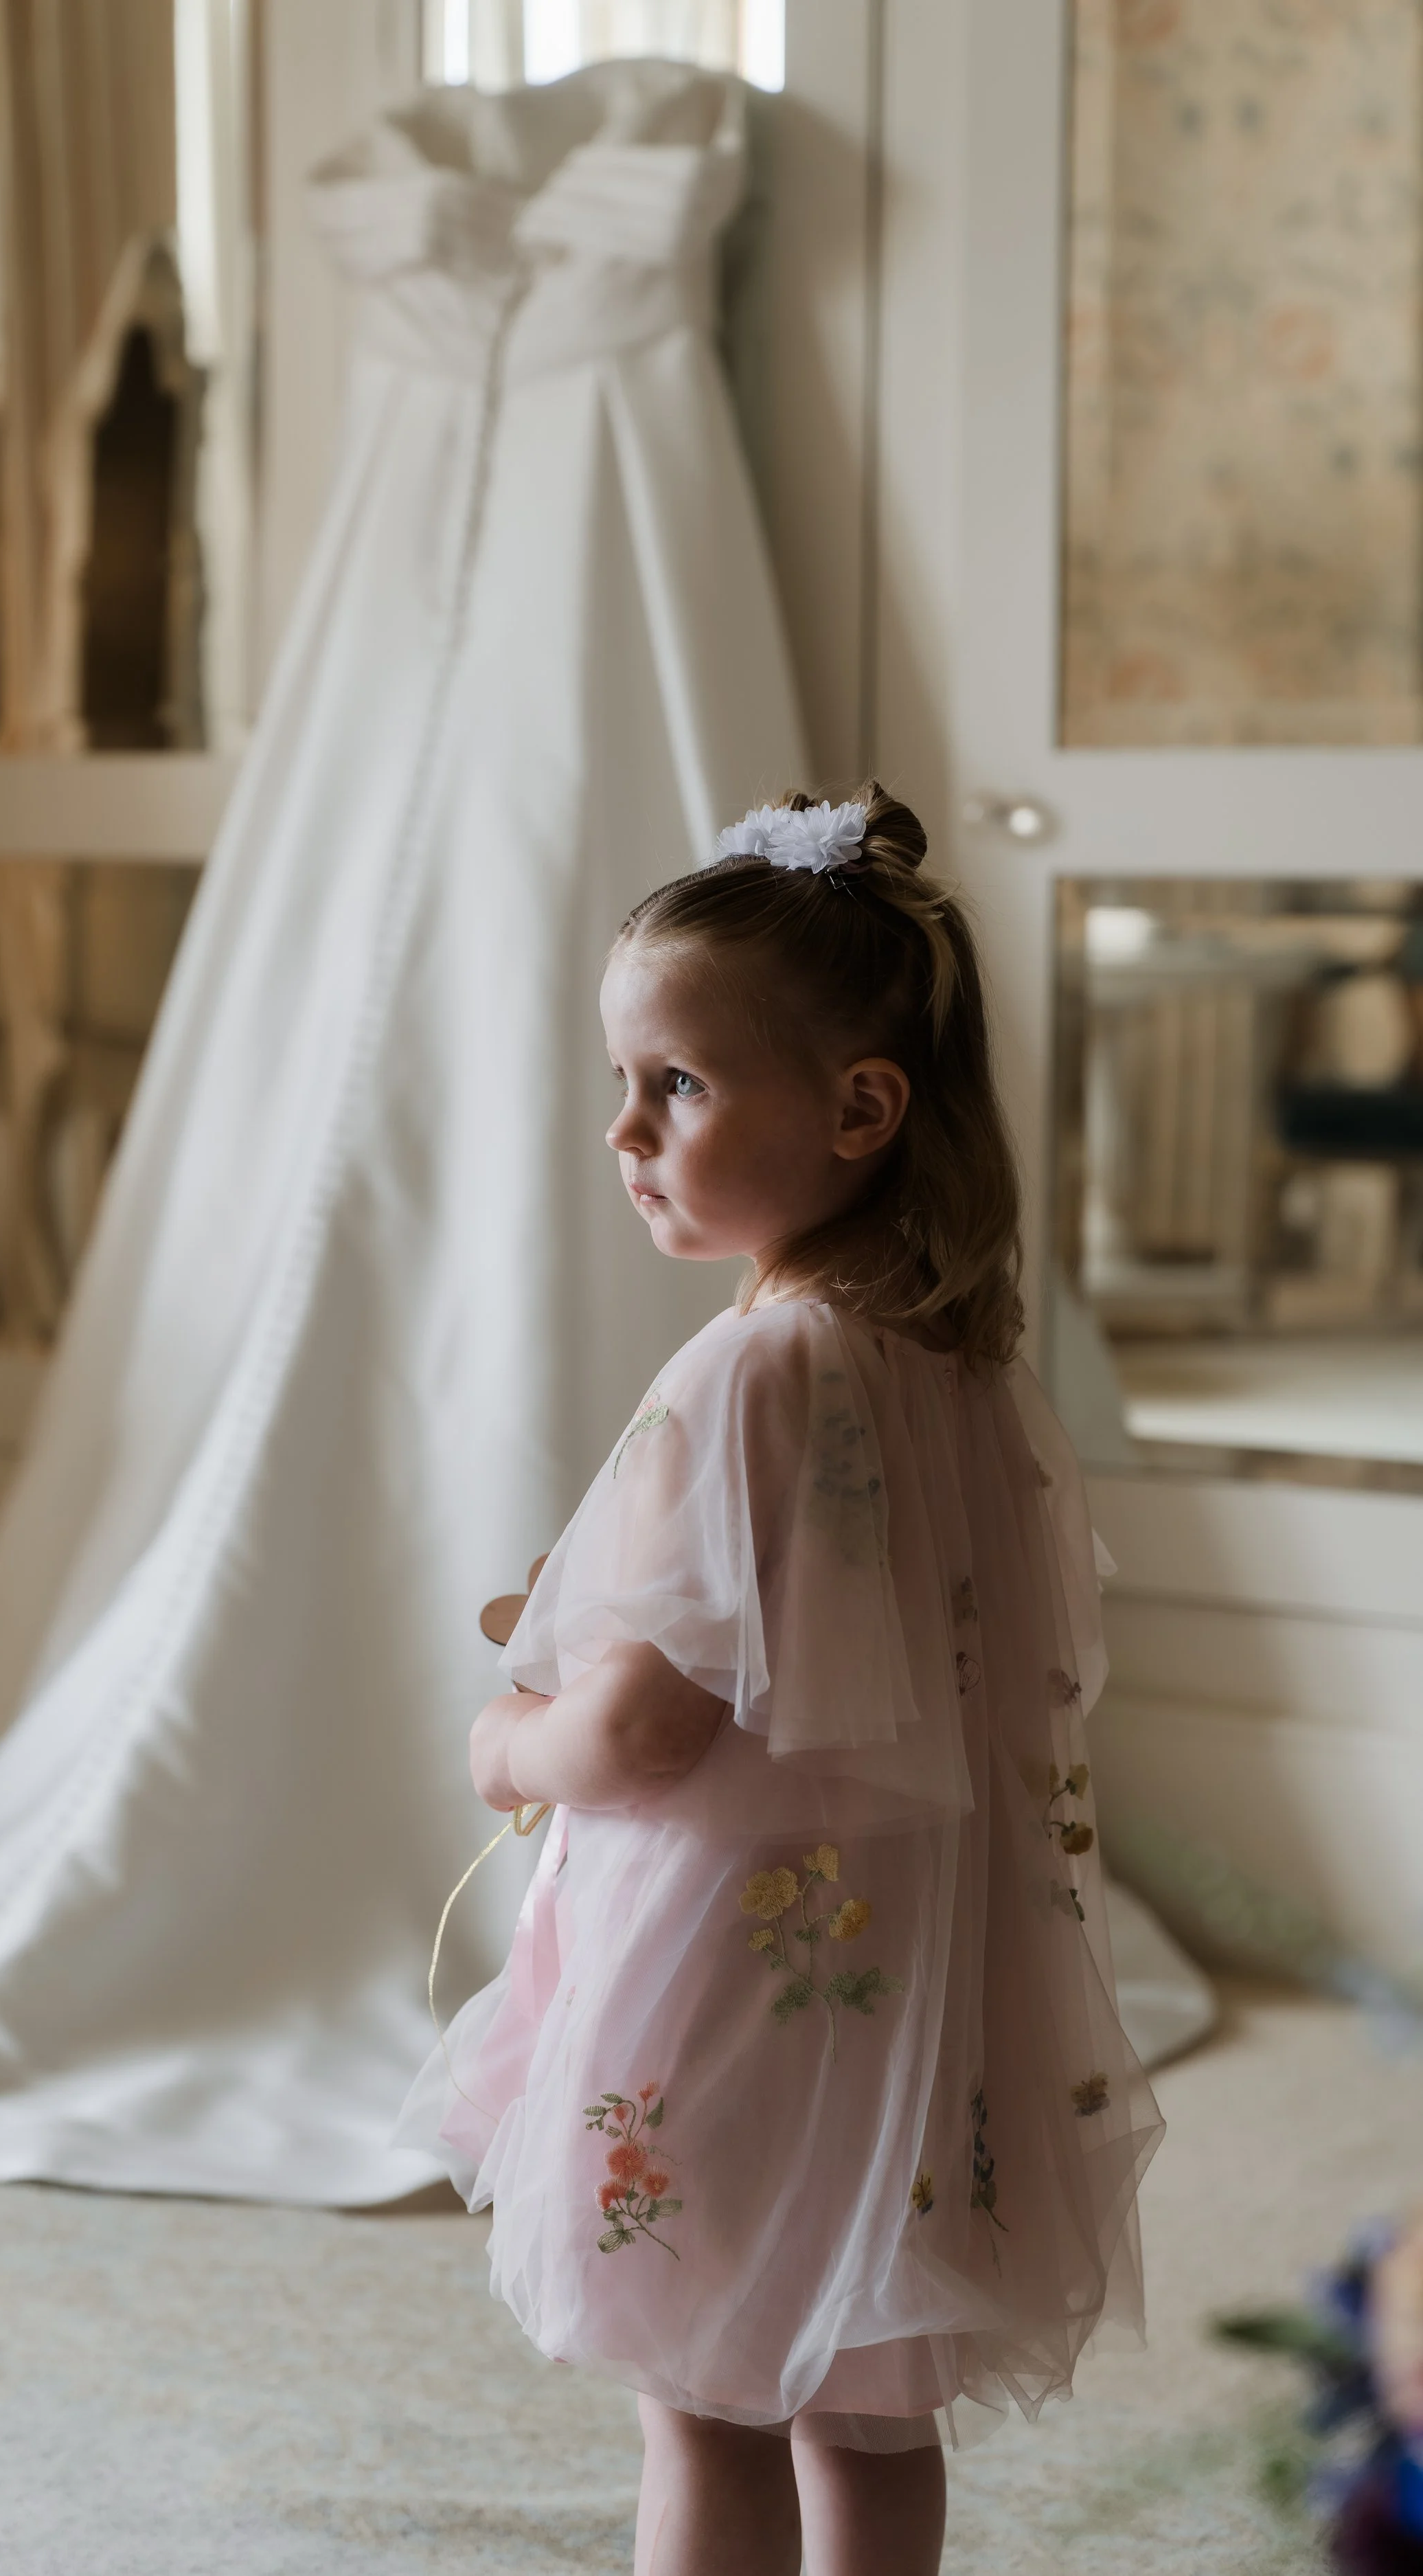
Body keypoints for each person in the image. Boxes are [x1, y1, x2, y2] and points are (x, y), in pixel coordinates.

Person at [401, 785, 1165, 2576]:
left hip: (734, 1965)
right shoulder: (959, 1368)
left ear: (859, 1109)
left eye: (675, 1082)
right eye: (621, 1080)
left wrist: (510, 1738)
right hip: (903, 1976)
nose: (623, 1128)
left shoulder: (752, 1369)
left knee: (705, 2393)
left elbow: (643, 1727)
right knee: (865, 2400)